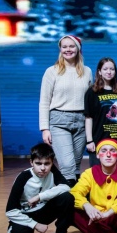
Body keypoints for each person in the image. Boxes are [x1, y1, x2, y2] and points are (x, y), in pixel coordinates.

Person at [5, 143, 76, 233]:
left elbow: (66, 187)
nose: (43, 168)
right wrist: (35, 225)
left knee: (67, 198)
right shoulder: (23, 177)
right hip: (25, 215)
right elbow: (10, 211)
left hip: (43, 211)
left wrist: (40, 196)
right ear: (31, 162)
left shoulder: (51, 171)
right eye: (38, 163)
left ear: (52, 163)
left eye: (47, 164)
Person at [39, 35, 92, 184]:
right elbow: (44, 101)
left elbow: (90, 100)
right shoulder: (52, 71)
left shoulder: (87, 71)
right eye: (64, 47)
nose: (68, 49)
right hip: (59, 121)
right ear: (60, 49)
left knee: (75, 165)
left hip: (81, 121)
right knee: (67, 166)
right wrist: (45, 128)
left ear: (78, 48)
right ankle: (67, 196)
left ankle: (72, 195)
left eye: (71, 46)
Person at [84, 57, 117, 167]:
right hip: (98, 140)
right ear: (99, 72)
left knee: (116, 173)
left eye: (112, 69)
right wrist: (89, 141)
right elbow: (88, 118)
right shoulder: (92, 92)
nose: (109, 72)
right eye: (105, 69)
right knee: (98, 173)